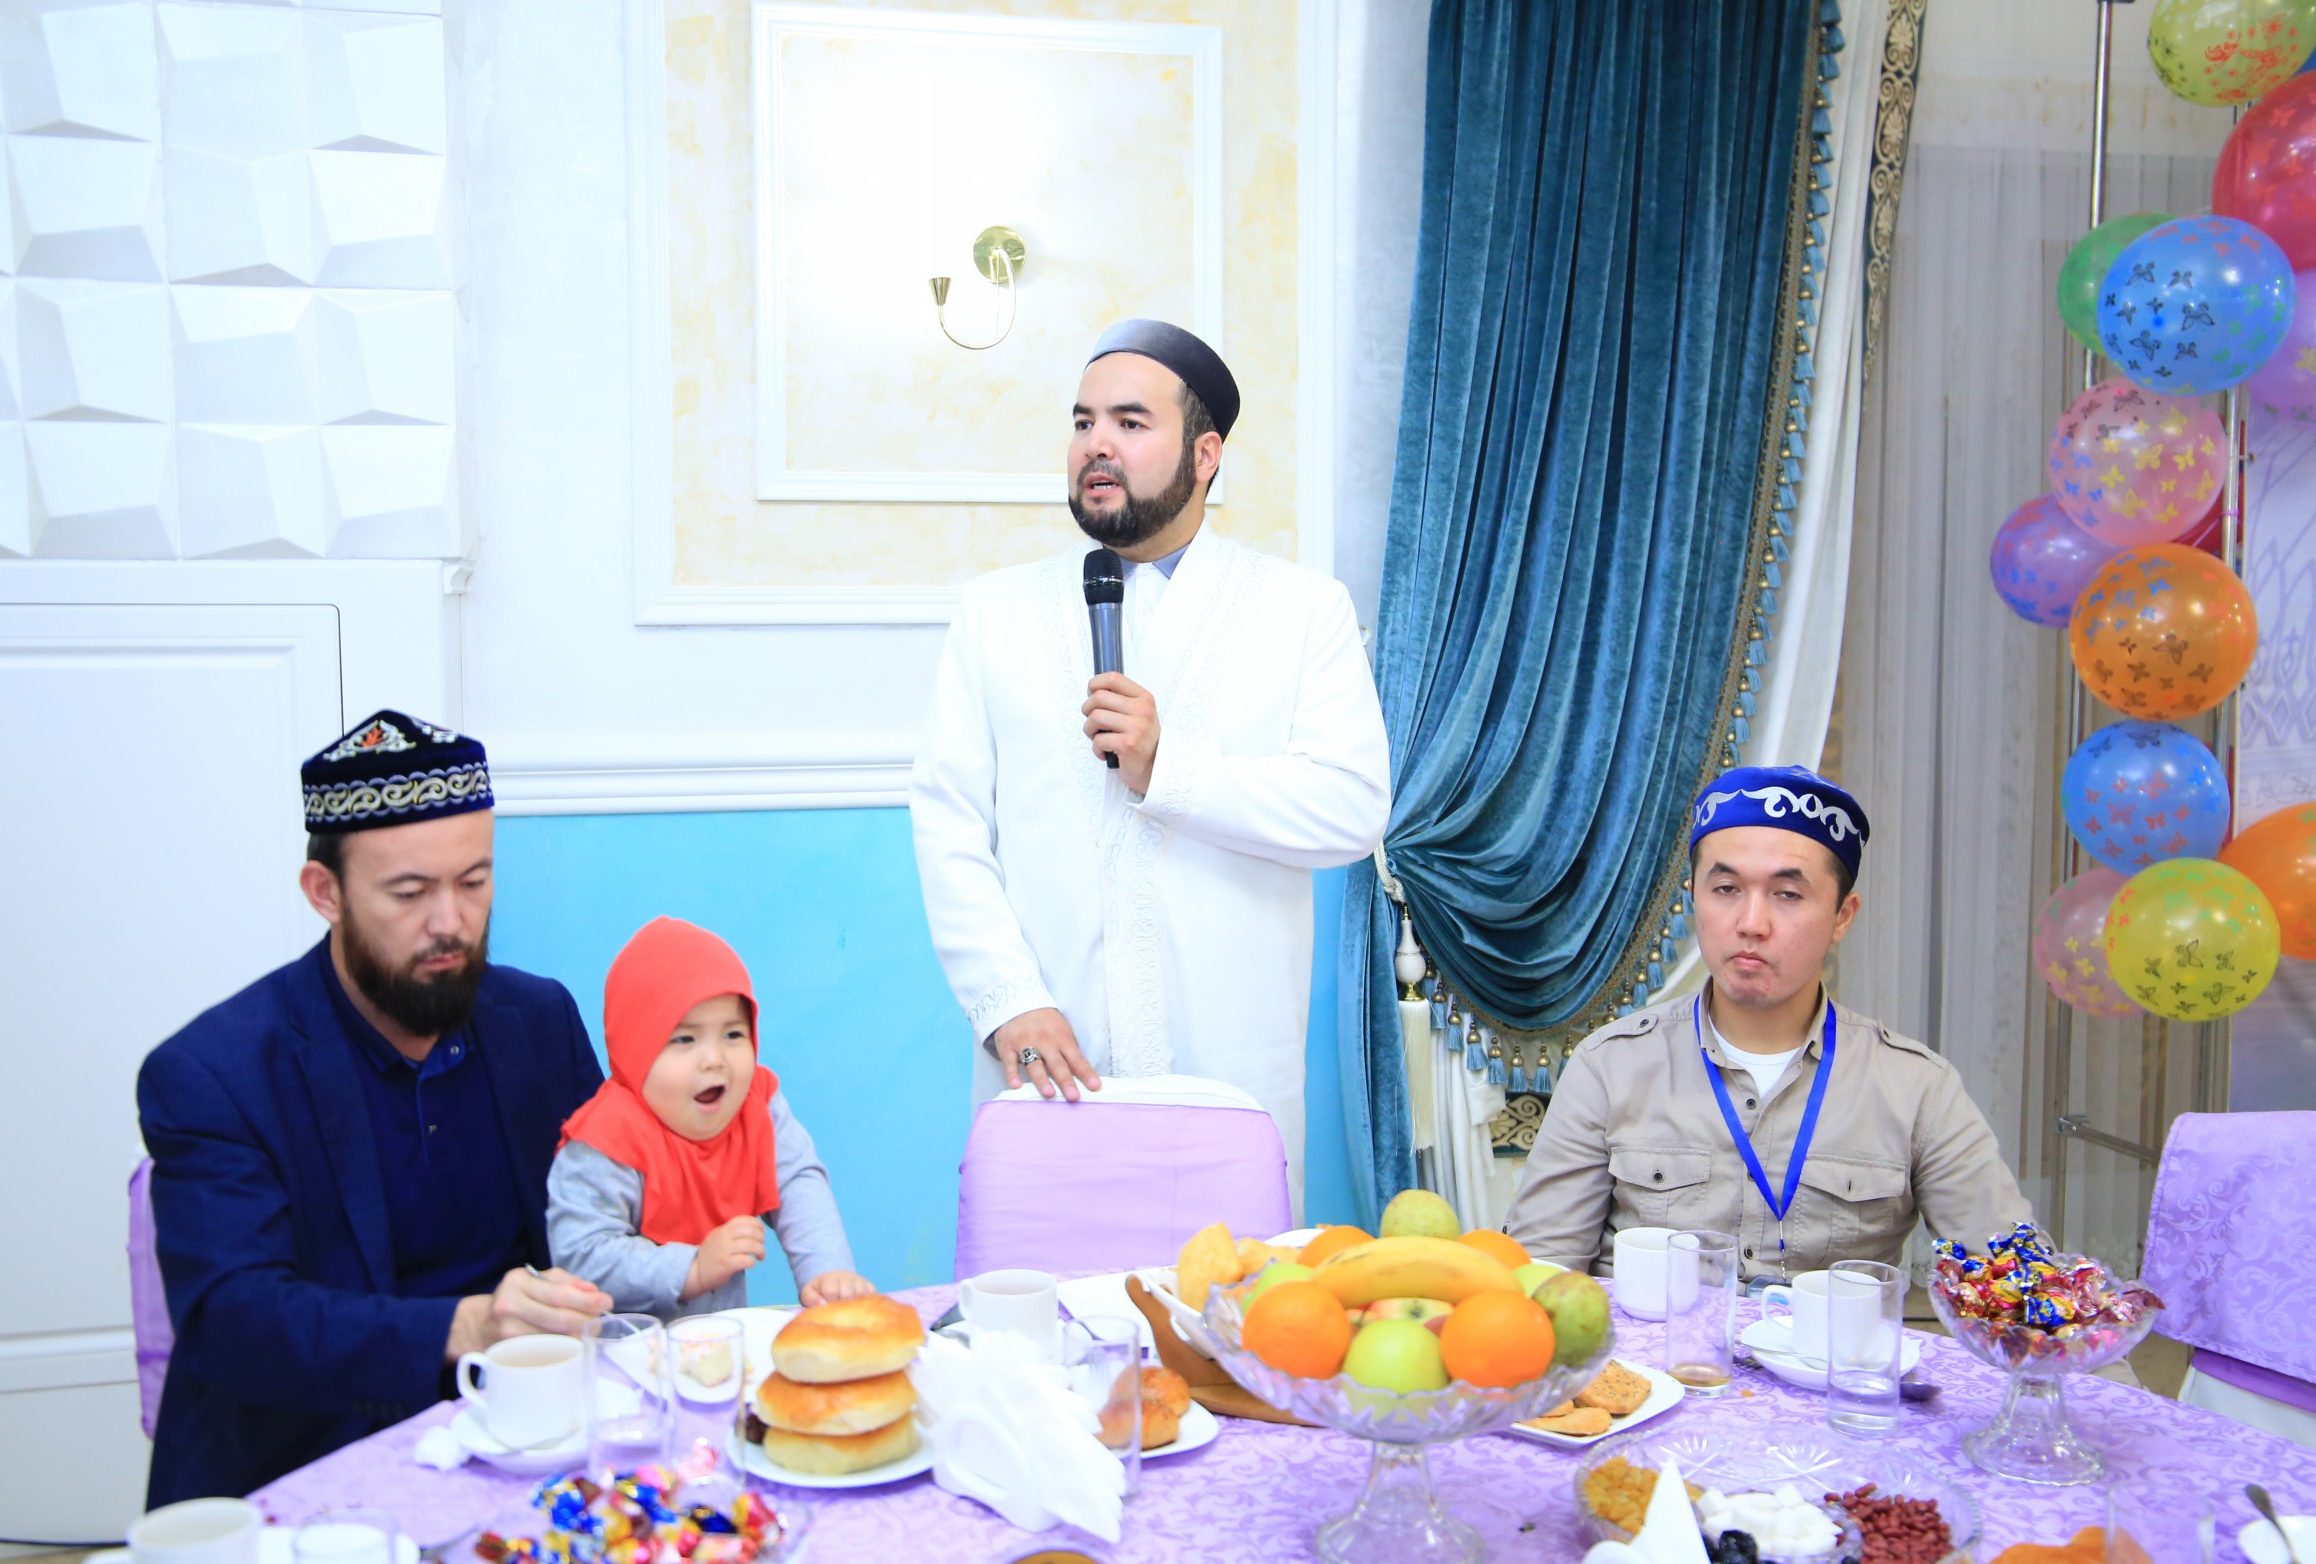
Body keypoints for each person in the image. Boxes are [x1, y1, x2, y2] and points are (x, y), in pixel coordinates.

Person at [910, 319, 1392, 1217]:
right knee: (1035, 1303)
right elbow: (949, 827)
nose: (1096, 444)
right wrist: (1007, 1003)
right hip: (1046, 1076)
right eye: (1083, 422)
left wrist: (1171, 768)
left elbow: (1351, 808)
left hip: (1228, 1090)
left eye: (1130, 423)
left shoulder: (1301, 611)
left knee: (1225, 1304)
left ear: (1205, 455)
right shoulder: (995, 614)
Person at [137, 711, 613, 1504]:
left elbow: (612, 1208)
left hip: (525, 1435)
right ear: (326, 893)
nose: (450, 923)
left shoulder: (537, 1020)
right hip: (313, 1460)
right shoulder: (215, 1073)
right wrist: (465, 1327)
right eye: (409, 892)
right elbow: (233, 1320)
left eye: (474, 882)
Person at [1505, 766, 2034, 1281]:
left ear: (1842, 916)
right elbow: (1536, 1279)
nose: (1751, 924)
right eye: (1726, 888)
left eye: (1787, 894)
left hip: (1827, 1346)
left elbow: (2019, 1282)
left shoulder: (1916, 1088)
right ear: (1694, 898)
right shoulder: (1611, 1066)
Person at [547, 917, 872, 1314]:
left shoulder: (754, 1105)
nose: (715, 1059)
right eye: (685, 1039)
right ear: (635, 1050)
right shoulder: (606, 1138)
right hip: (624, 1347)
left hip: (723, 1345)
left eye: (733, 1034)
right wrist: (692, 1268)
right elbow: (581, 1255)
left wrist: (827, 1272)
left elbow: (797, 1182)